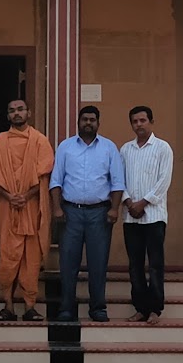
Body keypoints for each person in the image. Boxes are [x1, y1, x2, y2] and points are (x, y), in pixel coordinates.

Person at [49, 104, 124, 323]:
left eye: (92, 120)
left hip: (99, 214)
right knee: (68, 263)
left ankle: (98, 308)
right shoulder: (66, 147)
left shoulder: (109, 148)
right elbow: (56, 181)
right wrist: (56, 207)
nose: (88, 123)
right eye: (85, 120)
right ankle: (66, 308)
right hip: (70, 213)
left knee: (98, 263)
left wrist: (114, 209)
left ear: (98, 123)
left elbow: (117, 182)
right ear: (79, 122)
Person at [0, 99, 55, 321]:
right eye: (12, 110)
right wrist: (10, 196)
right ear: (8, 115)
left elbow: (45, 175)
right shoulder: (0, 141)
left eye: (20, 109)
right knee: (7, 256)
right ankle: (8, 305)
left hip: (31, 206)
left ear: (29, 113)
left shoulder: (40, 141)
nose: (16, 113)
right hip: (7, 207)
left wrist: (25, 196)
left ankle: (30, 306)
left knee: (30, 258)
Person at [121, 104, 173, 325]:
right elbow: (118, 180)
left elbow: (164, 182)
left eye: (143, 120)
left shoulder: (163, 148)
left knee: (155, 264)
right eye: (135, 121)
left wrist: (143, 203)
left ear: (151, 122)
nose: (139, 125)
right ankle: (140, 308)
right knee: (134, 265)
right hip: (130, 216)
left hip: (154, 217)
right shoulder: (125, 150)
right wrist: (128, 202)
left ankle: (155, 309)